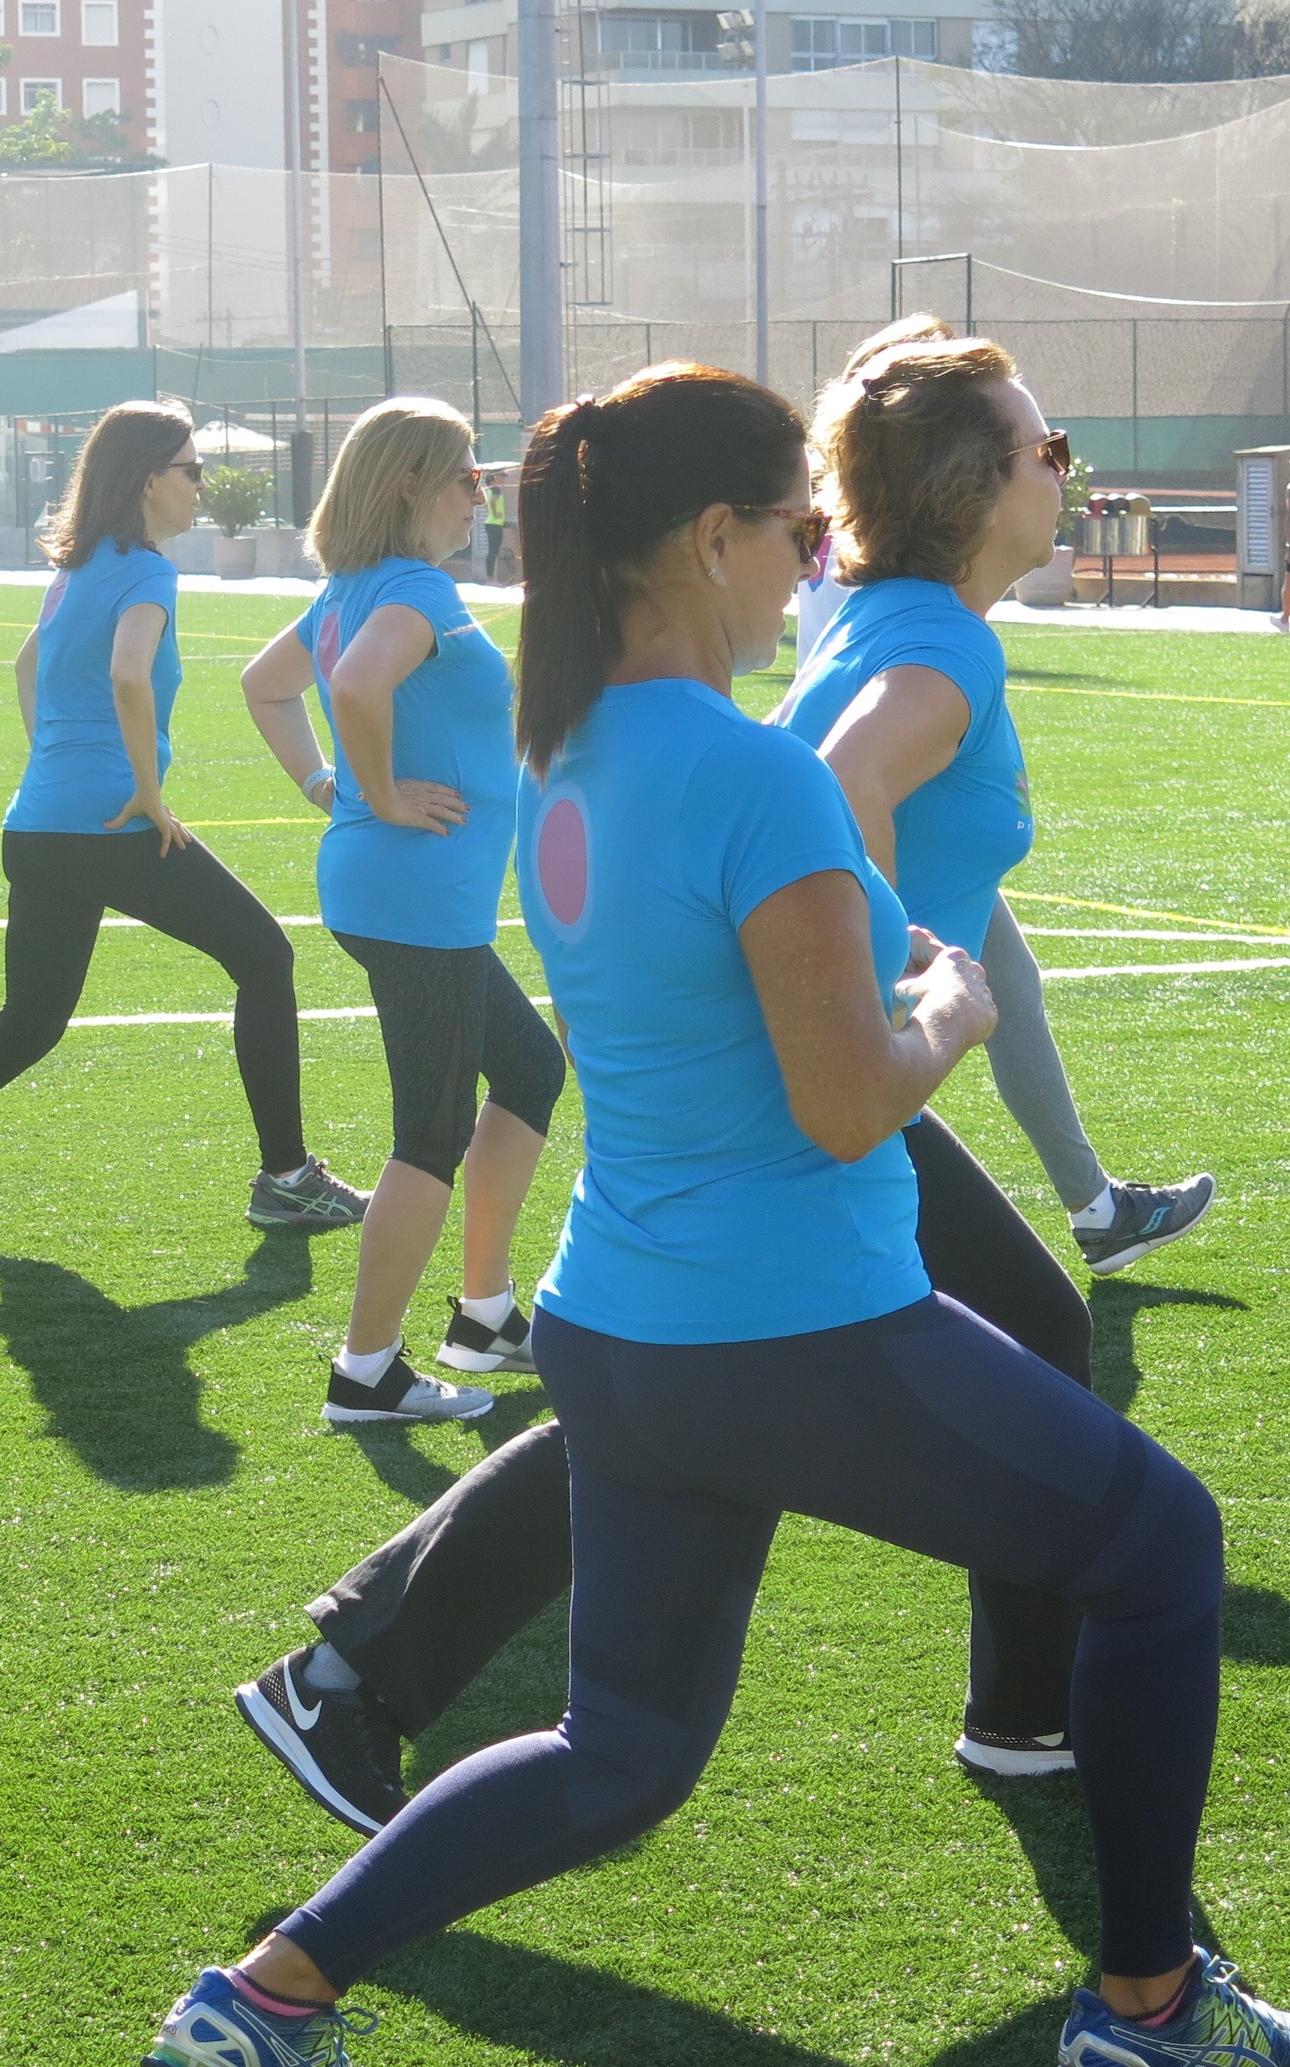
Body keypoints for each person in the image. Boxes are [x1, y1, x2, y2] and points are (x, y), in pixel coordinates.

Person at [147, 365, 1253, 2067]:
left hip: (621, 1336)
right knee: (1160, 1549)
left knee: (620, 1751)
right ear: (712, 535)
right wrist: (949, 1010)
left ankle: (266, 1993)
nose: (810, 565)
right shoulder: (749, 779)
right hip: (787, 1329)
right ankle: (1146, 2006)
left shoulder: (567, 752)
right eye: (794, 532)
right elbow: (842, 1100)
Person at [0, 400, 369, 1235]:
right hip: (110, 827)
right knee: (265, 956)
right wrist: (145, 790)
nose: (202, 485)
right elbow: (128, 672)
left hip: (38, 827)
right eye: (192, 469)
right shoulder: (147, 571)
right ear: (149, 480)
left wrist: (57, 764)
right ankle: (286, 1178)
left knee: (27, 1026)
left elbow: (25, 664)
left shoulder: (75, 568)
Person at [797, 318, 1211, 1275]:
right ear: (973, 486)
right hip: (814, 1108)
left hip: (798, 1086)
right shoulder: (948, 644)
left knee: (1026, 1330)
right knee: (1024, 1349)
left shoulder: (888, 614)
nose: (1065, 471)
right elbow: (842, 783)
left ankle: (1098, 1207)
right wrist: (893, 982)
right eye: (1049, 451)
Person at [240, 398, 563, 1427]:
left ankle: (483, 1315)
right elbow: (363, 683)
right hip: (416, 897)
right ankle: (367, 1371)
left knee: (530, 1069)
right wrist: (370, 791)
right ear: (408, 488)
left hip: (410, 895)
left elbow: (267, 687)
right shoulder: (409, 590)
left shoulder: (355, 590)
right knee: (428, 1131)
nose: (484, 489)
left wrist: (322, 784)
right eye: (468, 474)